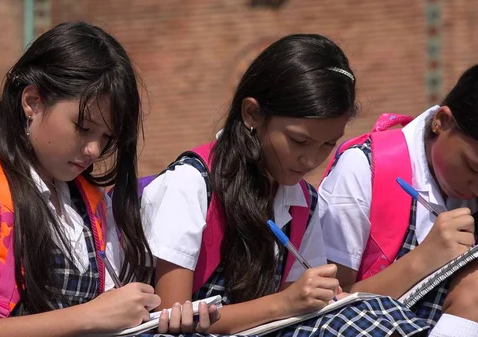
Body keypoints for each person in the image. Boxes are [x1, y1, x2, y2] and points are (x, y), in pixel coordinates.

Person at [143, 33, 432, 336]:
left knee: (376, 313)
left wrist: (317, 300)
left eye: (327, 145)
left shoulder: (303, 202)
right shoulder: (191, 184)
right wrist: (284, 303)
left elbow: (295, 315)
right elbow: (169, 320)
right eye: (299, 141)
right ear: (252, 113)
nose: (311, 159)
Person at [0, 21, 218, 337]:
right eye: (82, 127)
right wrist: (89, 315)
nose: (93, 149)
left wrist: (155, 318)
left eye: (106, 136)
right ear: (32, 102)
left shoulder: (90, 204)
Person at [319, 59, 478, 337]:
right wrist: (424, 259)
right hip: (375, 325)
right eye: (474, 168)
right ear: (442, 122)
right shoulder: (365, 167)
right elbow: (327, 307)